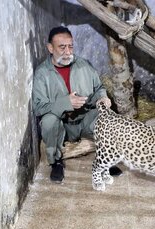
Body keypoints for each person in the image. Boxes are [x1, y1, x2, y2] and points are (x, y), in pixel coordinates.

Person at [32, 26, 122, 183]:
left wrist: (102, 98)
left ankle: (105, 160)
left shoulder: (83, 64)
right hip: (63, 125)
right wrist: (66, 103)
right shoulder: (42, 74)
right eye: (62, 47)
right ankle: (56, 162)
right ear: (50, 48)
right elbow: (39, 107)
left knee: (108, 118)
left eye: (70, 46)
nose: (68, 52)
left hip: (85, 117)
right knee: (48, 121)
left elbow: (99, 88)